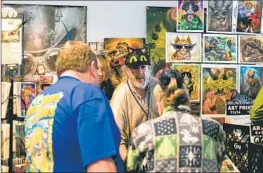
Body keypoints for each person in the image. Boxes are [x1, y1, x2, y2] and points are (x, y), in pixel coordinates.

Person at [24, 41, 122, 172]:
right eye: (98, 69)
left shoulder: (36, 102)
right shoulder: (87, 94)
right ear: (92, 67)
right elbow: (101, 165)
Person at [126, 70, 238, 172]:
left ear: (159, 104)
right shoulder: (214, 129)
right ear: (188, 100)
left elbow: (130, 169)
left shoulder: (143, 132)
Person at [110, 47, 159, 162]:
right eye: (135, 68)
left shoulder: (158, 87)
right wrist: (129, 165)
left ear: (149, 68)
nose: (140, 72)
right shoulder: (120, 94)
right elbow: (118, 138)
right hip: (132, 156)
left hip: (159, 155)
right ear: (127, 70)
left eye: (143, 67)